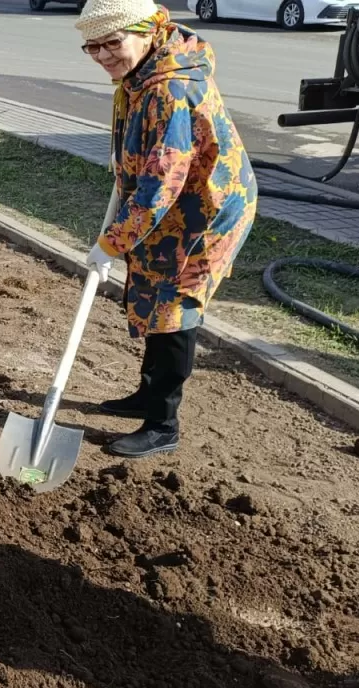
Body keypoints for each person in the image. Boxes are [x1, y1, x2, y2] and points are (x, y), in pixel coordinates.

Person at [76, 0, 257, 459]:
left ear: (145, 31)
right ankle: (147, 395)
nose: (102, 56)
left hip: (206, 213)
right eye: (92, 47)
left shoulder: (170, 89)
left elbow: (160, 186)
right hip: (179, 203)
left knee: (174, 309)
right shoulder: (144, 73)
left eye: (111, 43)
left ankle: (162, 424)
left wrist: (110, 244)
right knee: (154, 294)